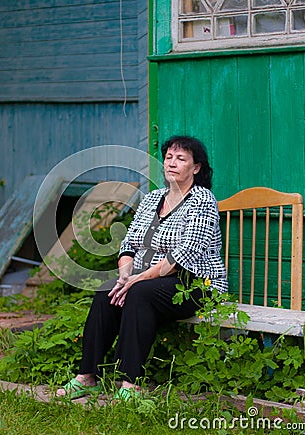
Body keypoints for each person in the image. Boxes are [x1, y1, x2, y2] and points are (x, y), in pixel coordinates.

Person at [57, 135, 228, 400]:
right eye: (169, 157)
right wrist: (126, 274)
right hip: (151, 280)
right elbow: (129, 243)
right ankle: (87, 376)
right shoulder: (152, 199)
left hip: (196, 285)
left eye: (181, 159)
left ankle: (130, 383)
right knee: (107, 291)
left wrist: (138, 280)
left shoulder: (202, 200)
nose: (172, 163)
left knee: (139, 293)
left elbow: (182, 255)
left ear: (196, 168)